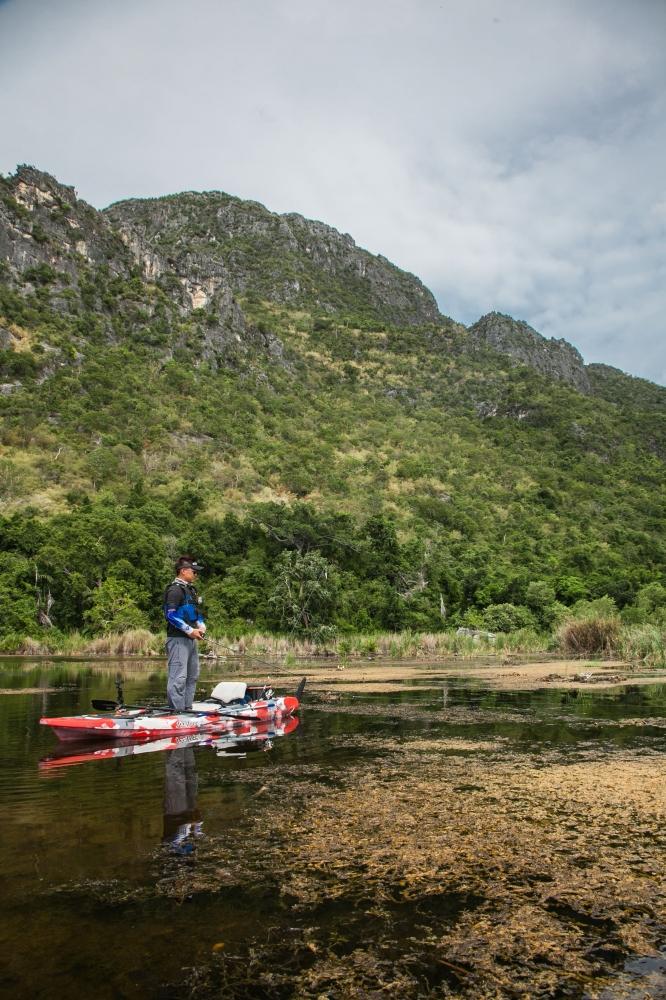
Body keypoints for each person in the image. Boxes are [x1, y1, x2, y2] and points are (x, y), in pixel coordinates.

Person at [164, 556, 206, 711]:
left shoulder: (191, 590)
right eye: (194, 571)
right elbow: (170, 615)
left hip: (191, 641)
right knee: (178, 678)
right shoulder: (174, 590)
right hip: (177, 640)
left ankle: (187, 709)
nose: (196, 574)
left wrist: (201, 626)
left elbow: (196, 613)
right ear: (183, 571)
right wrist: (189, 630)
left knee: (192, 676)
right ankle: (176, 711)